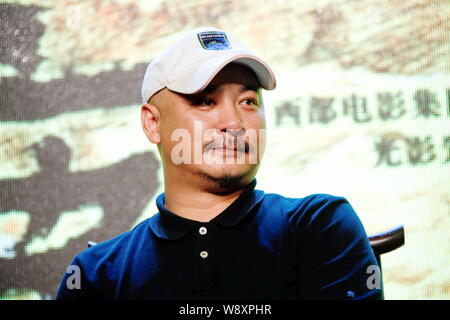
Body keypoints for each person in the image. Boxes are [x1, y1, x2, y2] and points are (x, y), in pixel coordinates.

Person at [56, 27, 382, 300]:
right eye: (205, 101)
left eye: (248, 101)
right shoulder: (95, 273)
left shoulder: (319, 226)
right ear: (153, 124)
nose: (233, 122)